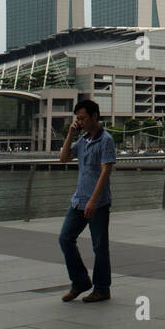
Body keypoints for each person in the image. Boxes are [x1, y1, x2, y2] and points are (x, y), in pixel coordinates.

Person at [57, 99, 116, 304]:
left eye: (82, 118)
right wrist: (70, 134)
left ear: (94, 116)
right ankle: (80, 281)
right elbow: (63, 158)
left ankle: (102, 288)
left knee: (100, 247)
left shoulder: (105, 140)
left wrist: (93, 200)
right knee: (65, 239)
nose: (80, 122)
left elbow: (105, 171)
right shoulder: (82, 140)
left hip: (97, 203)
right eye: (77, 119)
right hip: (78, 201)